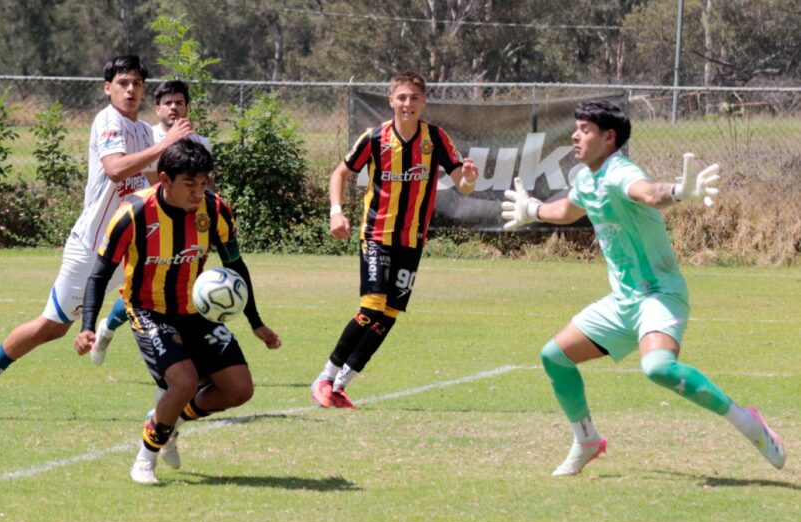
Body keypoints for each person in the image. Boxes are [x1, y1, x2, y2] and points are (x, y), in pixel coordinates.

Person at [500, 99, 785, 476]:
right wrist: (532, 210)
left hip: (659, 294)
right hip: (623, 302)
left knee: (657, 367)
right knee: (555, 357)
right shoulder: (587, 178)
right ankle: (586, 440)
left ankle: (746, 421)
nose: (575, 135)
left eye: (585, 129)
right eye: (577, 127)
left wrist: (679, 193)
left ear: (609, 137)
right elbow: (568, 210)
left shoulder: (619, 171)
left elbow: (649, 193)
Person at [0, 55, 194, 419]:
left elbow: (151, 185)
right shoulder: (108, 121)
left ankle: (178, 397)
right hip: (91, 248)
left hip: (127, 247)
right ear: (108, 88)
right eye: (123, 83)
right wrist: (166, 146)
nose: (130, 89)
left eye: (136, 83)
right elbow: (116, 169)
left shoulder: (145, 132)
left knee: (159, 302)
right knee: (51, 327)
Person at [74, 138, 281, 484]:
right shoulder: (133, 214)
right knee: (183, 382)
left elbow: (236, 266)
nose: (199, 191)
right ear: (164, 179)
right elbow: (98, 275)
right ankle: (145, 458)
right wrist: (87, 326)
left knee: (239, 389)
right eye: (190, 183)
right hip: (148, 309)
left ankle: (167, 419)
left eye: (203, 182)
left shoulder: (215, 210)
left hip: (197, 311)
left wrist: (256, 323)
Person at [310, 71, 479, 409]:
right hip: (376, 236)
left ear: (423, 102)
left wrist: (470, 179)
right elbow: (340, 173)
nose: (407, 104)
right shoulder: (375, 138)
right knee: (371, 307)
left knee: (387, 315)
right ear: (391, 101)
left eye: (414, 98)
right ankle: (325, 377)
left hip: (411, 241)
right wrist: (335, 212)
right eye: (401, 97)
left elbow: (463, 183)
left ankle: (342, 385)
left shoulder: (436, 139)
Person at [90, 79, 212, 366]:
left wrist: (209, 215)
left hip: (188, 225)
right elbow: (153, 185)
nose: (174, 108)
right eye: (168, 103)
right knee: (147, 287)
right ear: (157, 109)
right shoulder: (150, 139)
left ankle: (175, 358)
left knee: (176, 285)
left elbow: (207, 188)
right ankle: (109, 327)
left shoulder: (200, 142)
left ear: (187, 107)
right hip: (149, 225)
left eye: (179, 102)